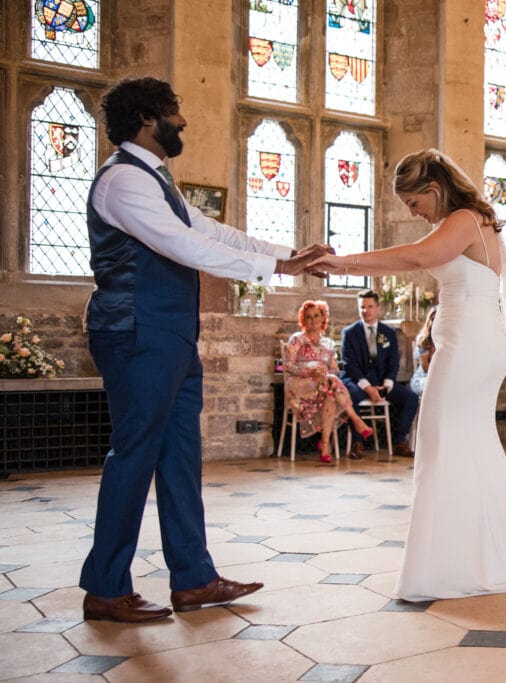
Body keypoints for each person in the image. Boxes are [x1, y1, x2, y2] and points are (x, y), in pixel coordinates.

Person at [308, 148, 506, 601]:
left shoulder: (466, 219)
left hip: (470, 346)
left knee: (436, 439)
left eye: (414, 202)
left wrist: (342, 263)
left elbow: (416, 258)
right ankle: (486, 554)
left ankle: (448, 565)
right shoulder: (467, 222)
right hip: (473, 342)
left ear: (433, 188)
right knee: (471, 444)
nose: (413, 212)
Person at [81, 77, 330, 622]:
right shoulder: (123, 181)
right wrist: (278, 268)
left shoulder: (154, 178)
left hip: (167, 332)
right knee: (136, 454)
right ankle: (104, 586)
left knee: (178, 457)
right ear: (148, 119)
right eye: (175, 111)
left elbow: (210, 229)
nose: (183, 122)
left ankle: (193, 578)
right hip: (136, 330)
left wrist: (289, 255)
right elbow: (183, 245)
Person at [283, 300, 373, 463]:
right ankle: (356, 419)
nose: (312, 320)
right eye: (308, 317)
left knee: (330, 394)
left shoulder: (329, 343)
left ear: (323, 317)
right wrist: (308, 371)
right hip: (299, 385)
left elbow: (334, 370)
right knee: (330, 383)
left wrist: (324, 373)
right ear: (304, 319)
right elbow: (287, 365)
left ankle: (324, 444)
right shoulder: (297, 339)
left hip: (323, 386)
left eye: (316, 316)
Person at [339, 291, 419, 458]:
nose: (366, 311)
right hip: (358, 381)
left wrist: (387, 385)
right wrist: (368, 388)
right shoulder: (349, 333)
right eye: (362, 307)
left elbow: (394, 362)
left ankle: (399, 441)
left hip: (382, 382)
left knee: (410, 398)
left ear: (378, 309)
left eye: (370, 307)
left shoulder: (388, 333)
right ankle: (357, 442)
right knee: (350, 396)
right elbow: (349, 365)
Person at [410, 306, 437, 397]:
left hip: (441, 377)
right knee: (433, 386)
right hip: (424, 377)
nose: (434, 322)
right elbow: (426, 368)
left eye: (437, 319)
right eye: (432, 319)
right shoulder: (423, 340)